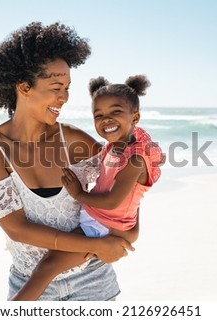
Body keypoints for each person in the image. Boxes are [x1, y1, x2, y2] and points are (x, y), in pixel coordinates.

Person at [0, 22, 137, 301]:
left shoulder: (74, 141)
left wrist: (122, 235)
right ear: (24, 87)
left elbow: (126, 186)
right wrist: (91, 246)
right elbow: (17, 228)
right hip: (29, 283)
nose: (64, 98)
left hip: (92, 279)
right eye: (56, 87)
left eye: (67, 88)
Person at [12, 75, 165, 301]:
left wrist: (79, 194)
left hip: (105, 226)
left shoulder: (134, 158)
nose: (106, 119)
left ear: (135, 117)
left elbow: (113, 201)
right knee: (48, 266)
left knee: (47, 268)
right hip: (103, 221)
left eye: (115, 112)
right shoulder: (114, 147)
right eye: (99, 115)